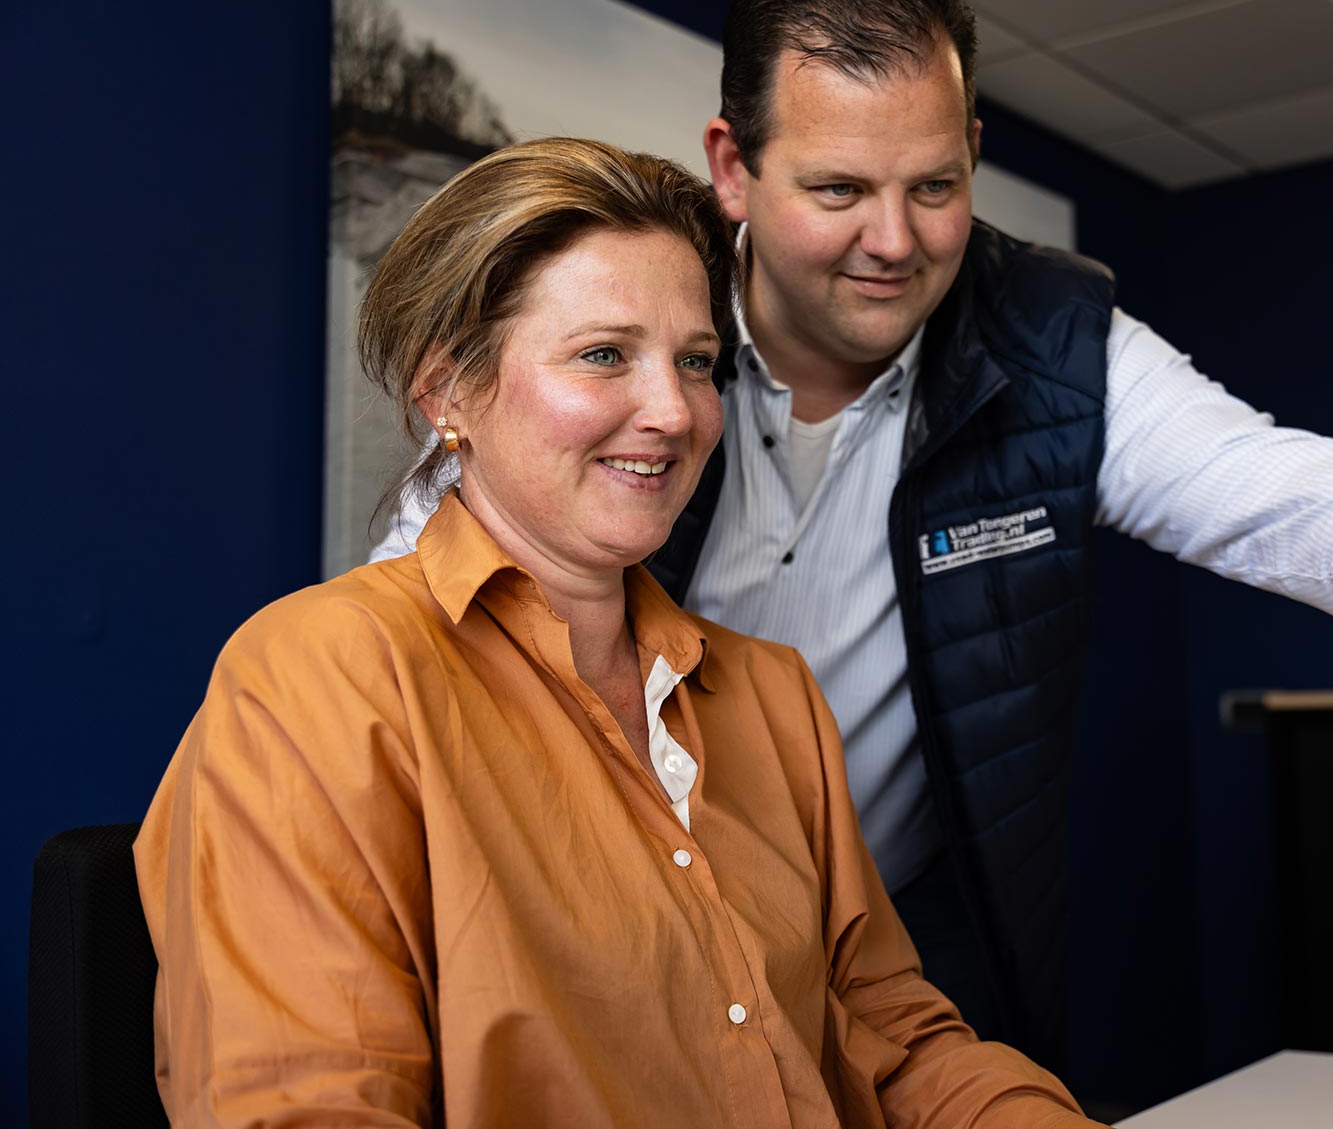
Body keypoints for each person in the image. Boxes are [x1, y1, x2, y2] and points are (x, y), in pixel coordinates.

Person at [376, 0, 1333, 1064]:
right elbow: (409, 622)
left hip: (908, 946)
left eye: (933, 186)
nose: (894, 241)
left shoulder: (1049, 340)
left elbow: (1249, 472)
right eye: (838, 191)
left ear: (974, 152)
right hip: (599, 937)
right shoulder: (632, 328)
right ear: (734, 169)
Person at [136, 138, 1099, 1128]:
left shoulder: (773, 697)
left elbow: (891, 1045)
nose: (673, 413)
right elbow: (309, 1106)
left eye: (695, 363)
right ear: (449, 394)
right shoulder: (316, 681)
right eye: (605, 355)